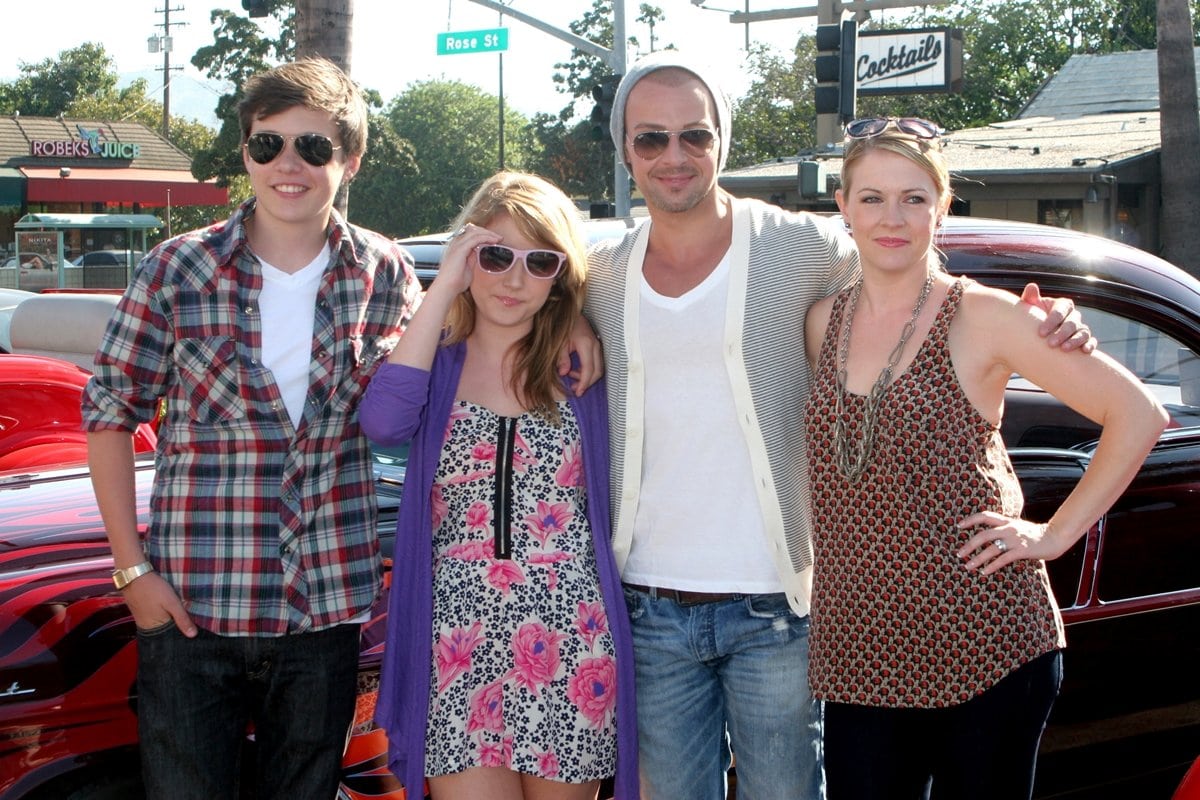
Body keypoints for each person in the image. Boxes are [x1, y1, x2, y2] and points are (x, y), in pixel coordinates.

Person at [584, 51, 1097, 800]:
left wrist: (1051, 325)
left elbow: (913, 285)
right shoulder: (598, 273)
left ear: (722, 140)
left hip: (783, 612)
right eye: (650, 138)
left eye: (694, 135)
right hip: (649, 611)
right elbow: (513, 320)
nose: (674, 155)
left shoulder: (800, 245)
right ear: (625, 150)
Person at [82, 57, 421, 800]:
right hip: (193, 608)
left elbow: (439, 386)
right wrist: (132, 573)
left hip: (326, 611)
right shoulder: (179, 269)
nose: (287, 165)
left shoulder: (386, 274)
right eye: (268, 146)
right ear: (246, 154)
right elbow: (108, 412)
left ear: (351, 161)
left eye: (313, 147)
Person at [803, 118, 1168, 800]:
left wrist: (1053, 535)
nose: (893, 218)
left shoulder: (990, 316)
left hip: (987, 645)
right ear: (843, 207)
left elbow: (1139, 414)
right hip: (858, 653)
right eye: (873, 197)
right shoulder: (822, 321)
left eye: (914, 198)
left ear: (942, 208)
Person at [359, 171, 638, 800]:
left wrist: (580, 321)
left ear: (560, 275)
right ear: (467, 255)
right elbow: (382, 422)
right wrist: (443, 289)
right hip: (457, 639)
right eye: (495, 255)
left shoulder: (581, 369)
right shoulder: (438, 359)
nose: (514, 279)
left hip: (574, 641)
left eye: (540, 261)